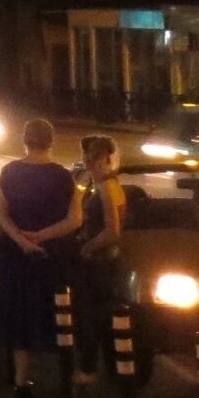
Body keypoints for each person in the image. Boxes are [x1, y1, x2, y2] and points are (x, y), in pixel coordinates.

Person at [0, 119, 81, 398]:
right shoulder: (63, 177)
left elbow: (1, 213)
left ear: (25, 140)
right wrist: (43, 236)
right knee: (57, 313)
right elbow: (75, 219)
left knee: (19, 314)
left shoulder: (10, 172)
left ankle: (21, 380)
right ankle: (64, 378)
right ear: (51, 141)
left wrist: (21, 240)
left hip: (16, 256)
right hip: (53, 254)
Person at [71, 135, 127, 380]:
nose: (89, 160)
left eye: (95, 155)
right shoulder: (96, 183)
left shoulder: (107, 186)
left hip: (99, 261)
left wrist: (88, 248)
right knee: (96, 315)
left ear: (107, 157)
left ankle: (88, 368)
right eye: (87, 154)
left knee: (92, 315)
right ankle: (108, 368)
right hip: (98, 259)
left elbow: (112, 230)